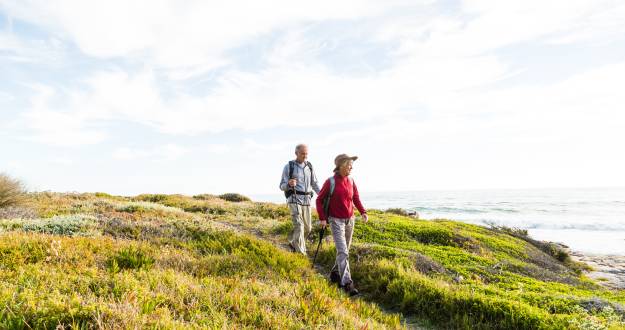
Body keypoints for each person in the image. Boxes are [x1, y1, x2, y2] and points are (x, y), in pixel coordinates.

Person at [316, 154, 368, 296]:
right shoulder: (330, 182)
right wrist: (322, 218)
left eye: (352, 165)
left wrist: (363, 212)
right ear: (340, 165)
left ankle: (334, 274)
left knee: (344, 251)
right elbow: (319, 200)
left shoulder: (351, 181)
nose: (351, 167)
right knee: (343, 251)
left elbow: (355, 198)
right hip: (336, 220)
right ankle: (347, 283)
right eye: (349, 164)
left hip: (350, 219)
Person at [279, 144, 320, 254]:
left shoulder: (310, 166)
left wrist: (321, 195)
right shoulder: (289, 166)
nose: (305, 156)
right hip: (294, 199)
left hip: (307, 200)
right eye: (302, 153)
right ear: (296, 153)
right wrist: (289, 183)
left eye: (306, 154)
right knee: (299, 226)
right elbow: (281, 185)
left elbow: (314, 183)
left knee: (308, 228)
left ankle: (293, 242)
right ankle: (301, 253)